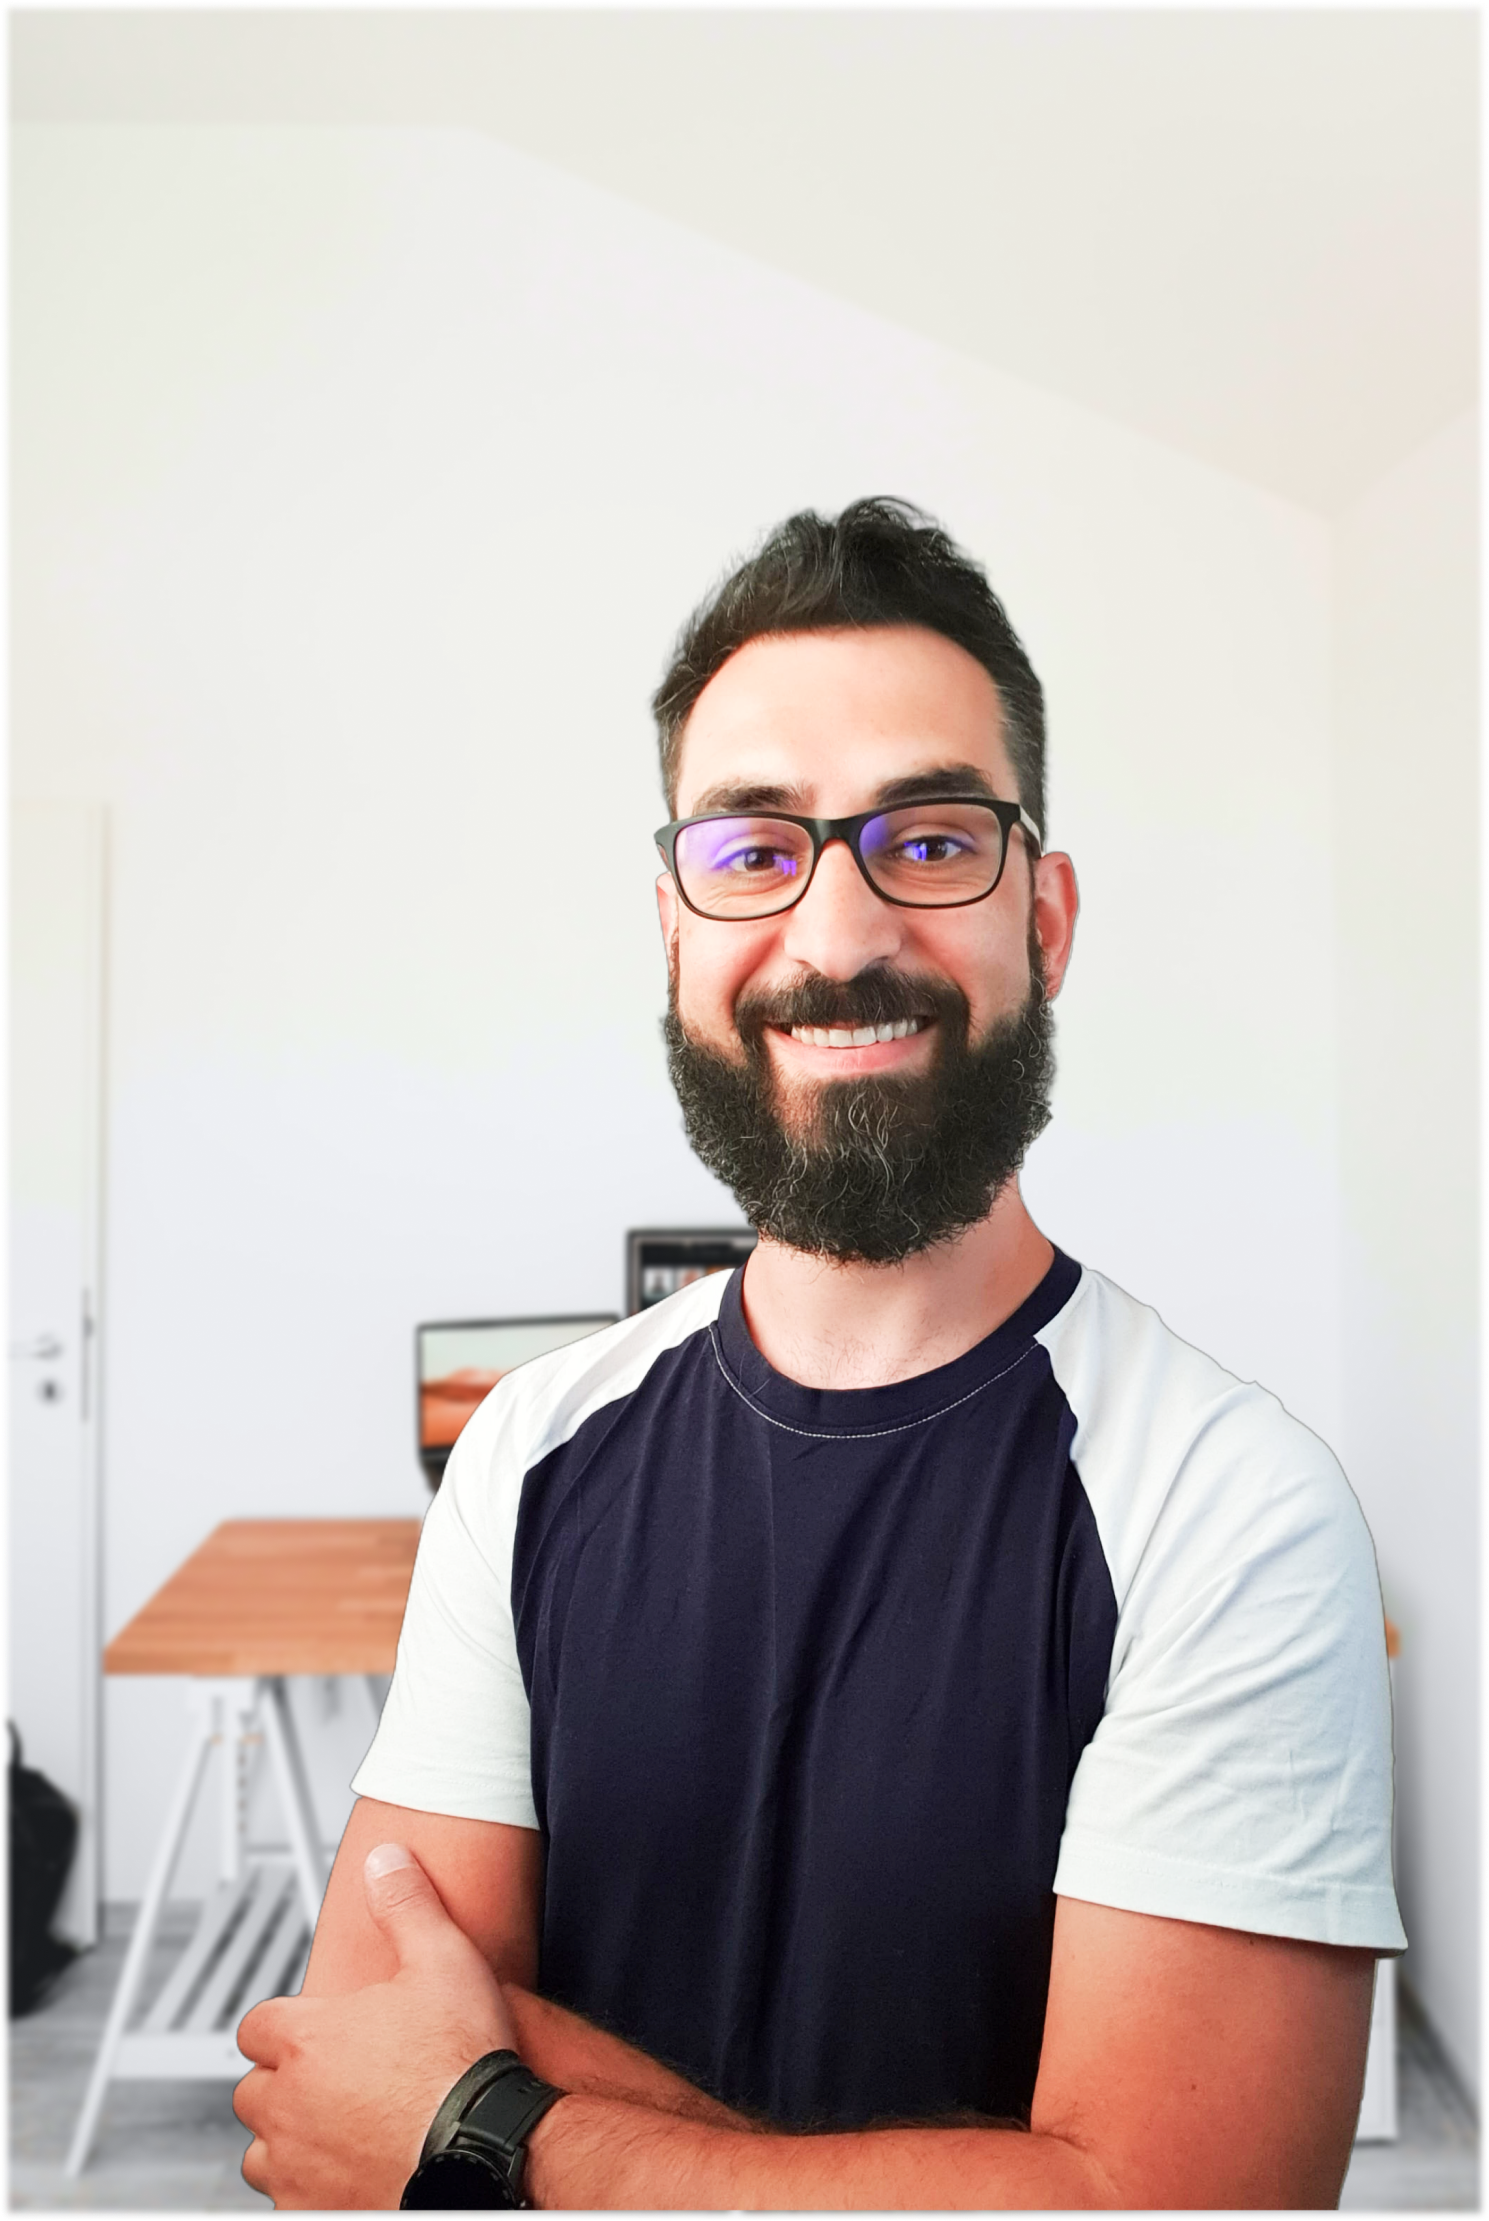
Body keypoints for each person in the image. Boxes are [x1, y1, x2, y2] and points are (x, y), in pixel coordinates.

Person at [235, 499, 1403, 2212]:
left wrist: (510, 2129)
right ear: (674, 927)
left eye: (930, 842)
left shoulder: (1230, 1509)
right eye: (753, 850)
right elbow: (358, 2065)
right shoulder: (530, 1450)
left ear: (1050, 920)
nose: (841, 937)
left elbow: (1168, 2208)